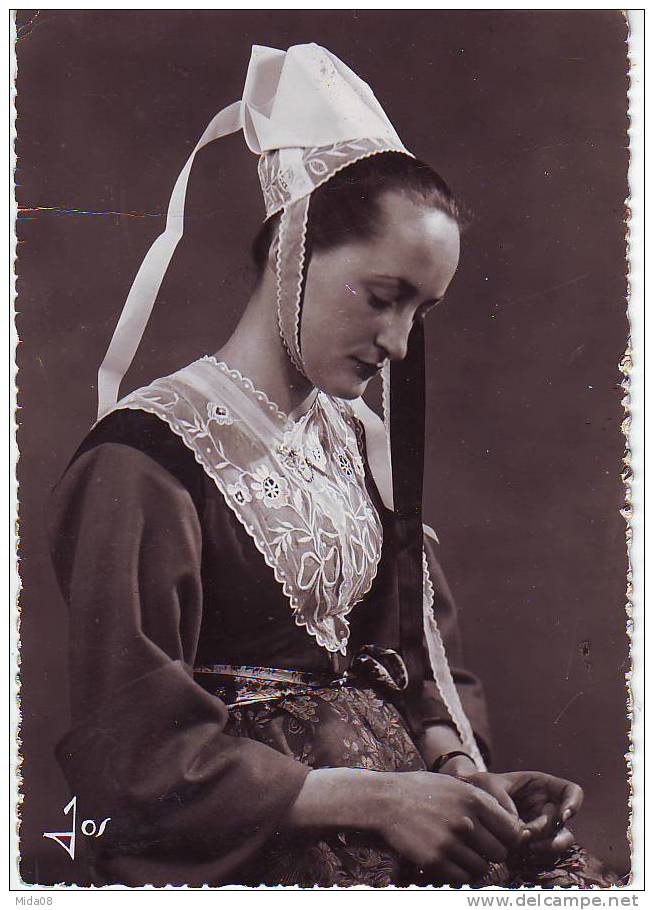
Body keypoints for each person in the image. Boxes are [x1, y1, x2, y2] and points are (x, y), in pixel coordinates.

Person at [47, 43, 617, 888]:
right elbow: (129, 754)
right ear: (292, 251)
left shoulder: (355, 443)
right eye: (382, 297)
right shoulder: (145, 461)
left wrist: (460, 780)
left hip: (386, 822)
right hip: (239, 854)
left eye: (421, 312)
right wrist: (379, 802)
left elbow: (406, 660)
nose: (397, 343)